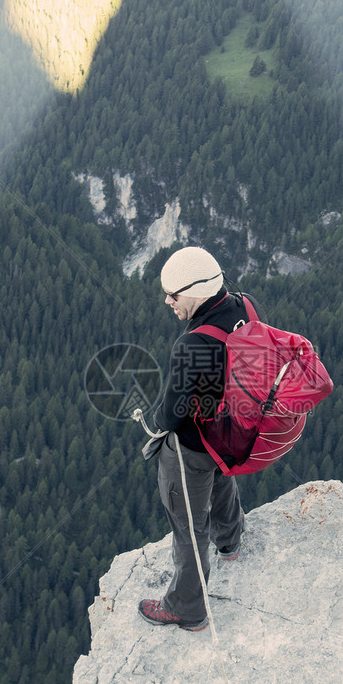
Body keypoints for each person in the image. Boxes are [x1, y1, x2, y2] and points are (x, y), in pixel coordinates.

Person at [138, 246, 257, 633]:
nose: (167, 301)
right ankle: (231, 541)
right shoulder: (245, 308)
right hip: (234, 432)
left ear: (195, 292)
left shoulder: (192, 345)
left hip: (194, 446)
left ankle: (187, 609)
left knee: (188, 523)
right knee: (222, 478)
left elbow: (171, 414)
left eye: (173, 294)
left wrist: (154, 422)